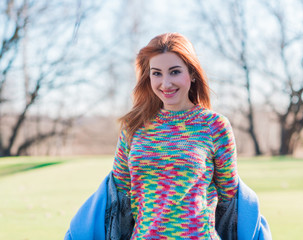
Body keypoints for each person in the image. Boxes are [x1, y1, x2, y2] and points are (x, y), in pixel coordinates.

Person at [65, 33, 271, 240]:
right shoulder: (133, 127)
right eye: (156, 73)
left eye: (174, 72)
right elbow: (118, 196)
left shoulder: (215, 126)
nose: (165, 83)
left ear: (192, 73)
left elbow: (229, 201)